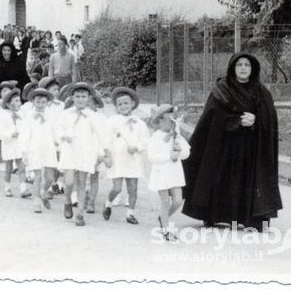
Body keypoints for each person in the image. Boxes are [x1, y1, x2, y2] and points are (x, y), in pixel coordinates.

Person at [182, 52, 283, 231]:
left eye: (247, 65)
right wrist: (236, 121)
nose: (243, 68)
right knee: (222, 178)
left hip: (251, 147)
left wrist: (256, 120)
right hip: (224, 145)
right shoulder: (222, 89)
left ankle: (250, 219)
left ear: (253, 69)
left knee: (247, 181)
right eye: (239, 65)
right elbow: (212, 117)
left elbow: (270, 119)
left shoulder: (261, 92)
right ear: (232, 68)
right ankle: (214, 215)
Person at [56, 82, 105, 226]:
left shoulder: (92, 116)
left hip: (84, 152)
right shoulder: (66, 114)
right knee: (70, 182)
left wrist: (102, 152)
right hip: (70, 151)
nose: (80, 99)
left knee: (82, 183)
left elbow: (100, 135)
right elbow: (58, 129)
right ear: (72, 97)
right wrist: (64, 135)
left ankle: (80, 214)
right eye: (77, 96)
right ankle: (67, 200)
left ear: (89, 98)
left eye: (83, 96)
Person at [102, 87, 149, 225]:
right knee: (117, 188)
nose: (123, 106)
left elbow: (145, 140)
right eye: (120, 104)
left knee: (132, 188)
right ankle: (108, 203)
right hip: (118, 159)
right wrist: (106, 155)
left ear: (132, 104)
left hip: (133, 160)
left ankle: (130, 214)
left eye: (126, 103)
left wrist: (137, 147)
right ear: (116, 106)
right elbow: (106, 138)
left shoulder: (140, 123)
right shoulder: (112, 121)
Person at [147, 104, 191, 241]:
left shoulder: (176, 135)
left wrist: (180, 150)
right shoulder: (156, 137)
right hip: (161, 173)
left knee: (178, 201)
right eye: (169, 119)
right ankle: (165, 230)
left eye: (174, 119)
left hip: (175, 173)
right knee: (165, 202)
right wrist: (168, 156)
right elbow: (152, 157)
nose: (172, 122)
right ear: (160, 121)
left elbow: (186, 153)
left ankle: (163, 217)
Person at [20, 87, 59, 213]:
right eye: (38, 102)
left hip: (48, 149)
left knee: (50, 177)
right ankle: (36, 201)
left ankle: (43, 191)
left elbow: (55, 131)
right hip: (34, 149)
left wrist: (58, 143)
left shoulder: (51, 116)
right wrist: (24, 151)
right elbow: (25, 135)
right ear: (33, 102)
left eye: (43, 102)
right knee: (37, 176)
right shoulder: (29, 118)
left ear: (47, 103)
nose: (41, 105)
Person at [0, 88, 29, 198]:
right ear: (8, 105)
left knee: (22, 166)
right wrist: (10, 135)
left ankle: (23, 188)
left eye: (18, 100)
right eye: (14, 101)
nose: (18, 103)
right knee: (9, 168)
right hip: (9, 145)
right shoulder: (4, 116)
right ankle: (7, 187)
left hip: (19, 144)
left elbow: (26, 128)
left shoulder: (23, 115)